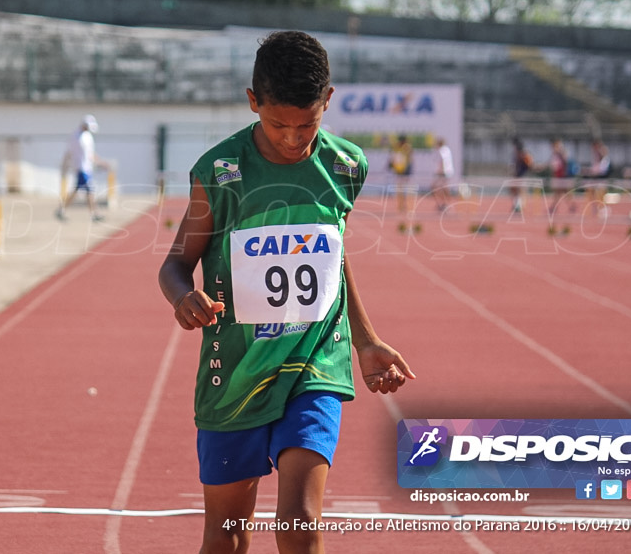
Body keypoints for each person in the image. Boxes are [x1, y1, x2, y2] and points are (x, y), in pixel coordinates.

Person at [158, 31, 413, 554]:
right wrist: (183, 296)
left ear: (328, 101)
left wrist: (364, 341)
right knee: (226, 535)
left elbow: (331, 257)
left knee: (300, 520)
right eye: (278, 125)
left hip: (316, 360)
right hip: (236, 368)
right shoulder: (220, 172)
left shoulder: (345, 167)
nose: (294, 138)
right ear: (254, 102)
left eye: (308, 124)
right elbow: (176, 264)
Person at [56, 114, 105, 222]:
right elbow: (73, 153)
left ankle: (61, 209)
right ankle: (95, 214)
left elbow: (89, 154)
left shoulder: (86, 136)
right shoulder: (77, 138)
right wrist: (100, 162)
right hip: (81, 168)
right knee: (89, 191)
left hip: (86, 168)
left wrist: (99, 162)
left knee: (79, 191)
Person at [387, 134, 414, 213]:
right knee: (400, 190)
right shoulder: (397, 148)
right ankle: (401, 205)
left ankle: (407, 206)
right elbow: (393, 159)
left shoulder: (407, 148)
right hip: (399, 172)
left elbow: (409, 160)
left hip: (406, 172)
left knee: (407, 190)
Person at [510, 137, 533, 214]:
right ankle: (517, 205)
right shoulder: (515, 154)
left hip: (522, 175)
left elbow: (530, 165)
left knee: (521, 191)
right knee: (515, 190)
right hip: (517, 175)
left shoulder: (525, 155)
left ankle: (520, 206)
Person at [431, 137, 454, 211]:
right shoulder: (446, 150)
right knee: (443, 188)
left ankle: (444, 204)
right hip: (445, 172)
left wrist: (441, 173)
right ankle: (445, 204)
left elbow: (443, 162)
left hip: (443, 173)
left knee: (437, 187)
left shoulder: (442, 151)